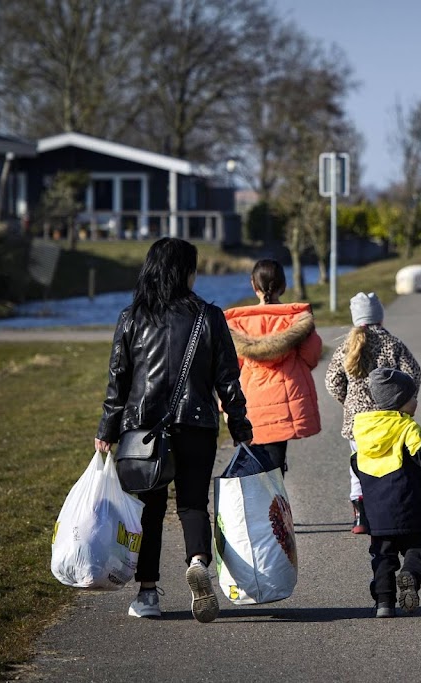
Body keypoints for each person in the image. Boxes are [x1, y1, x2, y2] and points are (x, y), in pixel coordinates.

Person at [94, 237, 252, 623]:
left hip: (142, 430)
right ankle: (198, 561)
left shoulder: (131, 317)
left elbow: (119, 379)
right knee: (193, 503)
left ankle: (148, 595)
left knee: (148, 509)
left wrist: (107, 429)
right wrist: (238, 420)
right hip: (196, 423)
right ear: (185, 272)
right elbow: (227, 376)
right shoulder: (209, 316)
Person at [351, 368, 421, 617]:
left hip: (377, 512)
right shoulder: (407, 427)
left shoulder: (364, 429)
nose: (416, 402)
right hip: (408, 506)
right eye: (412, 397)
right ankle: (410, 574)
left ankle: (384, 603)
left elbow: (356, 462)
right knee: (416, 548)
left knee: (382, 556)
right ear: (399, 401)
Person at [325, 292, 421, 534]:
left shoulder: (346, 346)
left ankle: (360, 517)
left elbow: (331, 382)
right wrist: (403, 400)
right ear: (380, 316)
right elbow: (414, 374)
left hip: (357, 423)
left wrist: (348, 401)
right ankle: (388, 512)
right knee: (390, 466)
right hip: (390, 419)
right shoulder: (393, 344)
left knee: (358, 467)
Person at [224, 259, 322, 474]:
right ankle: (275, 503)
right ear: (283, 286)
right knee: (276, 462)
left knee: (254, 459)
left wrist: (226, 408)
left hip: (251, 401)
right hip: (285, 400)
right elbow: (311, 357)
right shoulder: (297, 321)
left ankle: (258, 504)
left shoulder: (237, 325)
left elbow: (228, 370)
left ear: (253, 285)